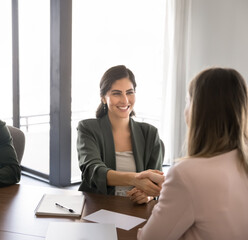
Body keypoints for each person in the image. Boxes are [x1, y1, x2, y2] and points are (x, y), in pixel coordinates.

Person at [138, 67, 248, 239]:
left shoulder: (186, 173)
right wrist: (170, 185)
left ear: (199, 110)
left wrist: (175, 186)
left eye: (187, 100)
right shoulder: (240, 162)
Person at [77, 65, 164, 204]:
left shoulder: (150, 133)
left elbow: (156, 184)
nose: (125, 100)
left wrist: (148, 196)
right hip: (98, 208)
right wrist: (134, 179)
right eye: (116, 93)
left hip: (137, 211)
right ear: (103, 98)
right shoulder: (88, 128)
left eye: (129, 92)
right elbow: (93, 171)